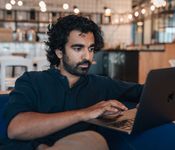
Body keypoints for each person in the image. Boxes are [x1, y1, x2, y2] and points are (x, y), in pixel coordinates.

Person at [1, 15, 143, 150]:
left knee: (92, 140)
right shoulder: (32, 81)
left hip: (79, 144)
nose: (87, 56)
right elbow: (16, 129)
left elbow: (145, 92)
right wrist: (84, 114)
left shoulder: (101, 84)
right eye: (77, 48)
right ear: (59, 52)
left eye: (91, 49)